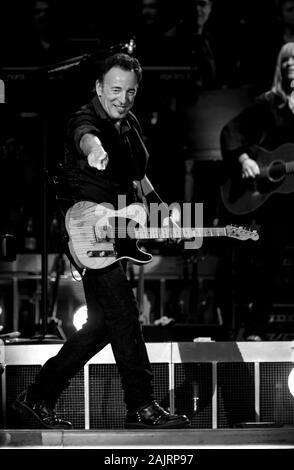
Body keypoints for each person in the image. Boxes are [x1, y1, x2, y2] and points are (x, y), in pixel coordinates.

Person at [12, 52, 190, 429]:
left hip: (117, 234)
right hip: (88, 232)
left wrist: (167, 214)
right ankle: (141, 405)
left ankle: (36, 396)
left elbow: (140, 180)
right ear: (98, 88)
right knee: (124, 314)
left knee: (101, 326)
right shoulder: (85, 118)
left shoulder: (130, 124)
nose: (122, 98)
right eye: (115, 90)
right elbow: (84, 137)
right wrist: (95, 150)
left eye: (130, 91)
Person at [218, 42, 294, 340]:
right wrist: (244, 158)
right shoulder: (269, 102)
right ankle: (256, 328)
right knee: (268, 261)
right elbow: (232, 131)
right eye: (285, 59)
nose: (290, 62)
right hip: (275, 200)